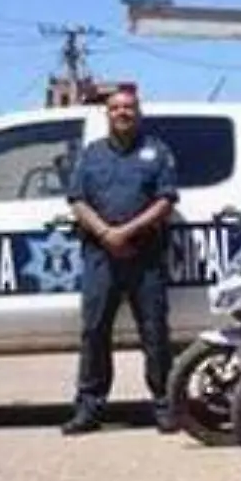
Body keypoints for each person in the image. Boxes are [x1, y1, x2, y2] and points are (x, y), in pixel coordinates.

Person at [62, 85, 181, 436]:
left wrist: (126, 232)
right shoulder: (92, 154)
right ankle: (89, 408)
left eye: (129, 107)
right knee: (94, 332)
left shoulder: (156, 151)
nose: (122, 113)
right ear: (107, 114)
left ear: (138, 111)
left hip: (146, 255)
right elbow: (78, 200)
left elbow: (165, 201)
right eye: (115, 108)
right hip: (100, 255)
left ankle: (165, 405)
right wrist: (105, 234)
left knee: (155, 333)